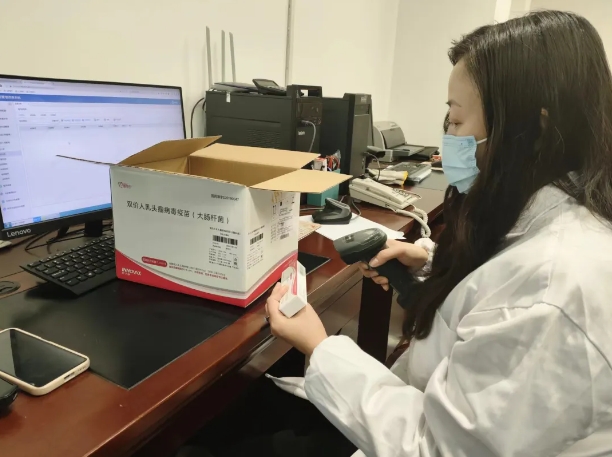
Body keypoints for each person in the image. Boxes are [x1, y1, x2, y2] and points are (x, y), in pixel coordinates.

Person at [183, 10, 612, 457]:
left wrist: (319, 346)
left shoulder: (555, 290)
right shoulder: (556, 223)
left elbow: (435, 448)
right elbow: (495, 292)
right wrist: (429, 263)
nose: (448, 138)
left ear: (533, 129)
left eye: (456, 120)